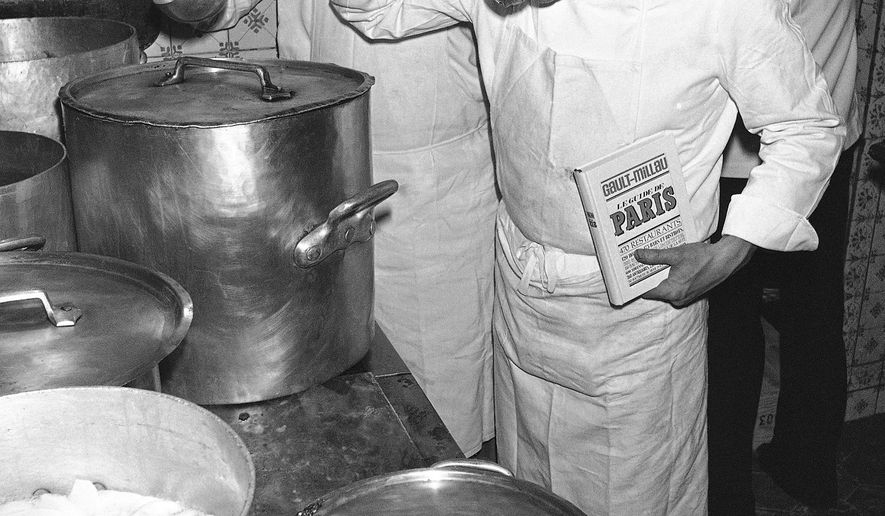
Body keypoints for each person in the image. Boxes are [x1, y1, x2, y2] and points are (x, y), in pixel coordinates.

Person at [328, 0, 847, 513]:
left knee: (634, 497)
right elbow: (373, 10)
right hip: (522, 288)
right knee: (528, 491)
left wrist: (731, 252)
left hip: (639, 315)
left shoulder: (724, 9)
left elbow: (809, 129)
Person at [152, 0, 498, 458]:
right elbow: (209, 8)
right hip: (311, 164)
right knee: (334, 398)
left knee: (435, 411)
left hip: (427, 195)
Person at [707, 1, 861, 512]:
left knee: (729, 329)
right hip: (829, 135)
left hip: (746, 154)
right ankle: (808, 468)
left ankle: (727, 493)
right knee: (815, 314)